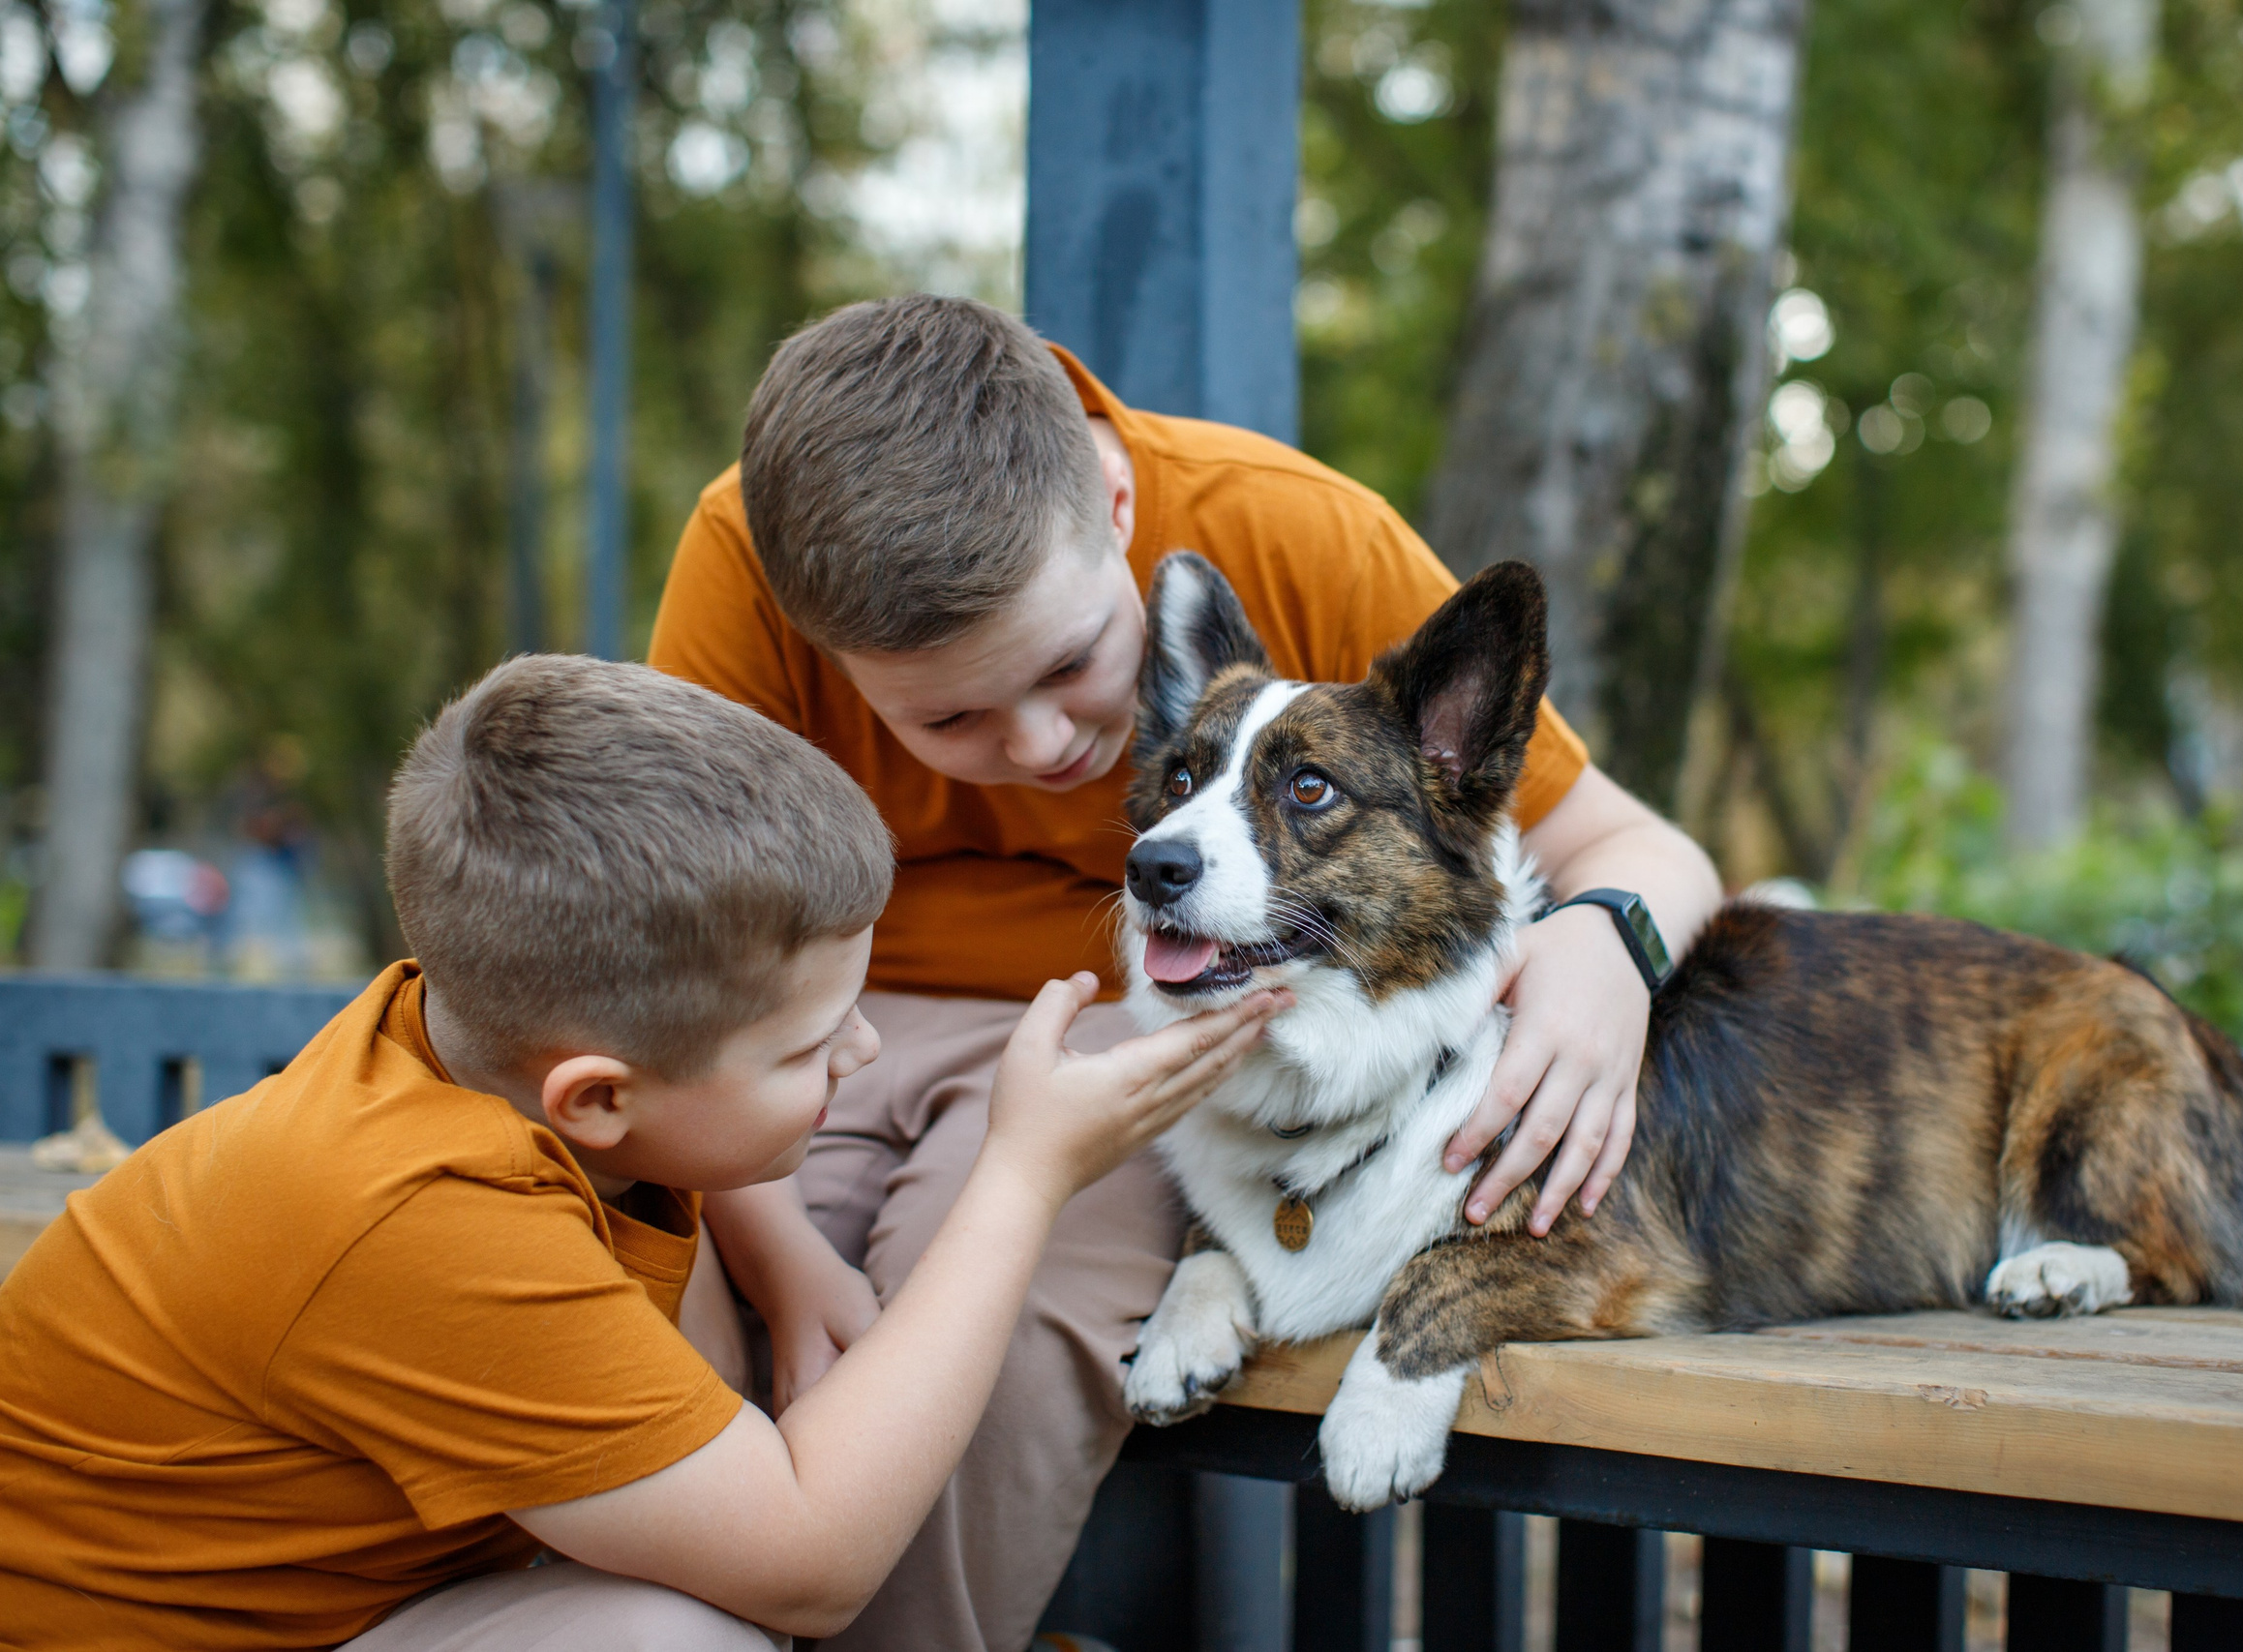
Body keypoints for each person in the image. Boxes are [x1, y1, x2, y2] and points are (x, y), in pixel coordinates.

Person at [652, 294, 1727, 1650]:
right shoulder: (745, 555)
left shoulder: (1294, 527)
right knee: (681, 1293)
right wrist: (787, 1263)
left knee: (990, 1323)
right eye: (946, 718)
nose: (1044, 744)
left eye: (1070, 666)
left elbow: (1641, 844)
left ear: (1115, 503)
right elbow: (681, 989)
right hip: (806, 1019)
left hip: (1132, 1026)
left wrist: (1605, 944)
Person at [0, 655, 1283, 1651]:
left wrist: (783, 1268)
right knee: (671, 1637)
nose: (857, 1058)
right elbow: (814, 1565)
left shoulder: (493, 1061)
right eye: (805, 1047)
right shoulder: (425, 1220)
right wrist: (1023, 1174)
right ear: (599, 1099)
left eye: (858, 1008)